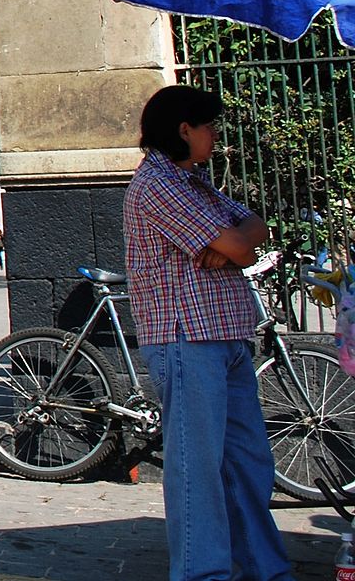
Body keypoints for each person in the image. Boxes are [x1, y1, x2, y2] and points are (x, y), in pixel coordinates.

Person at [125, 84, 292, 581]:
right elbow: (241, 246)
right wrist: (233, 244)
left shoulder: (194, 181)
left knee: (246, 464)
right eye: (209, 127)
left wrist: (234, 242)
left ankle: (264, 568)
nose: (215, 136)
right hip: (186, 338)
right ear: (184, 130)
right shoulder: (158, 185)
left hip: (226, 334)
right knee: (197, 469)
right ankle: (203, 573)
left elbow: (255, 226)